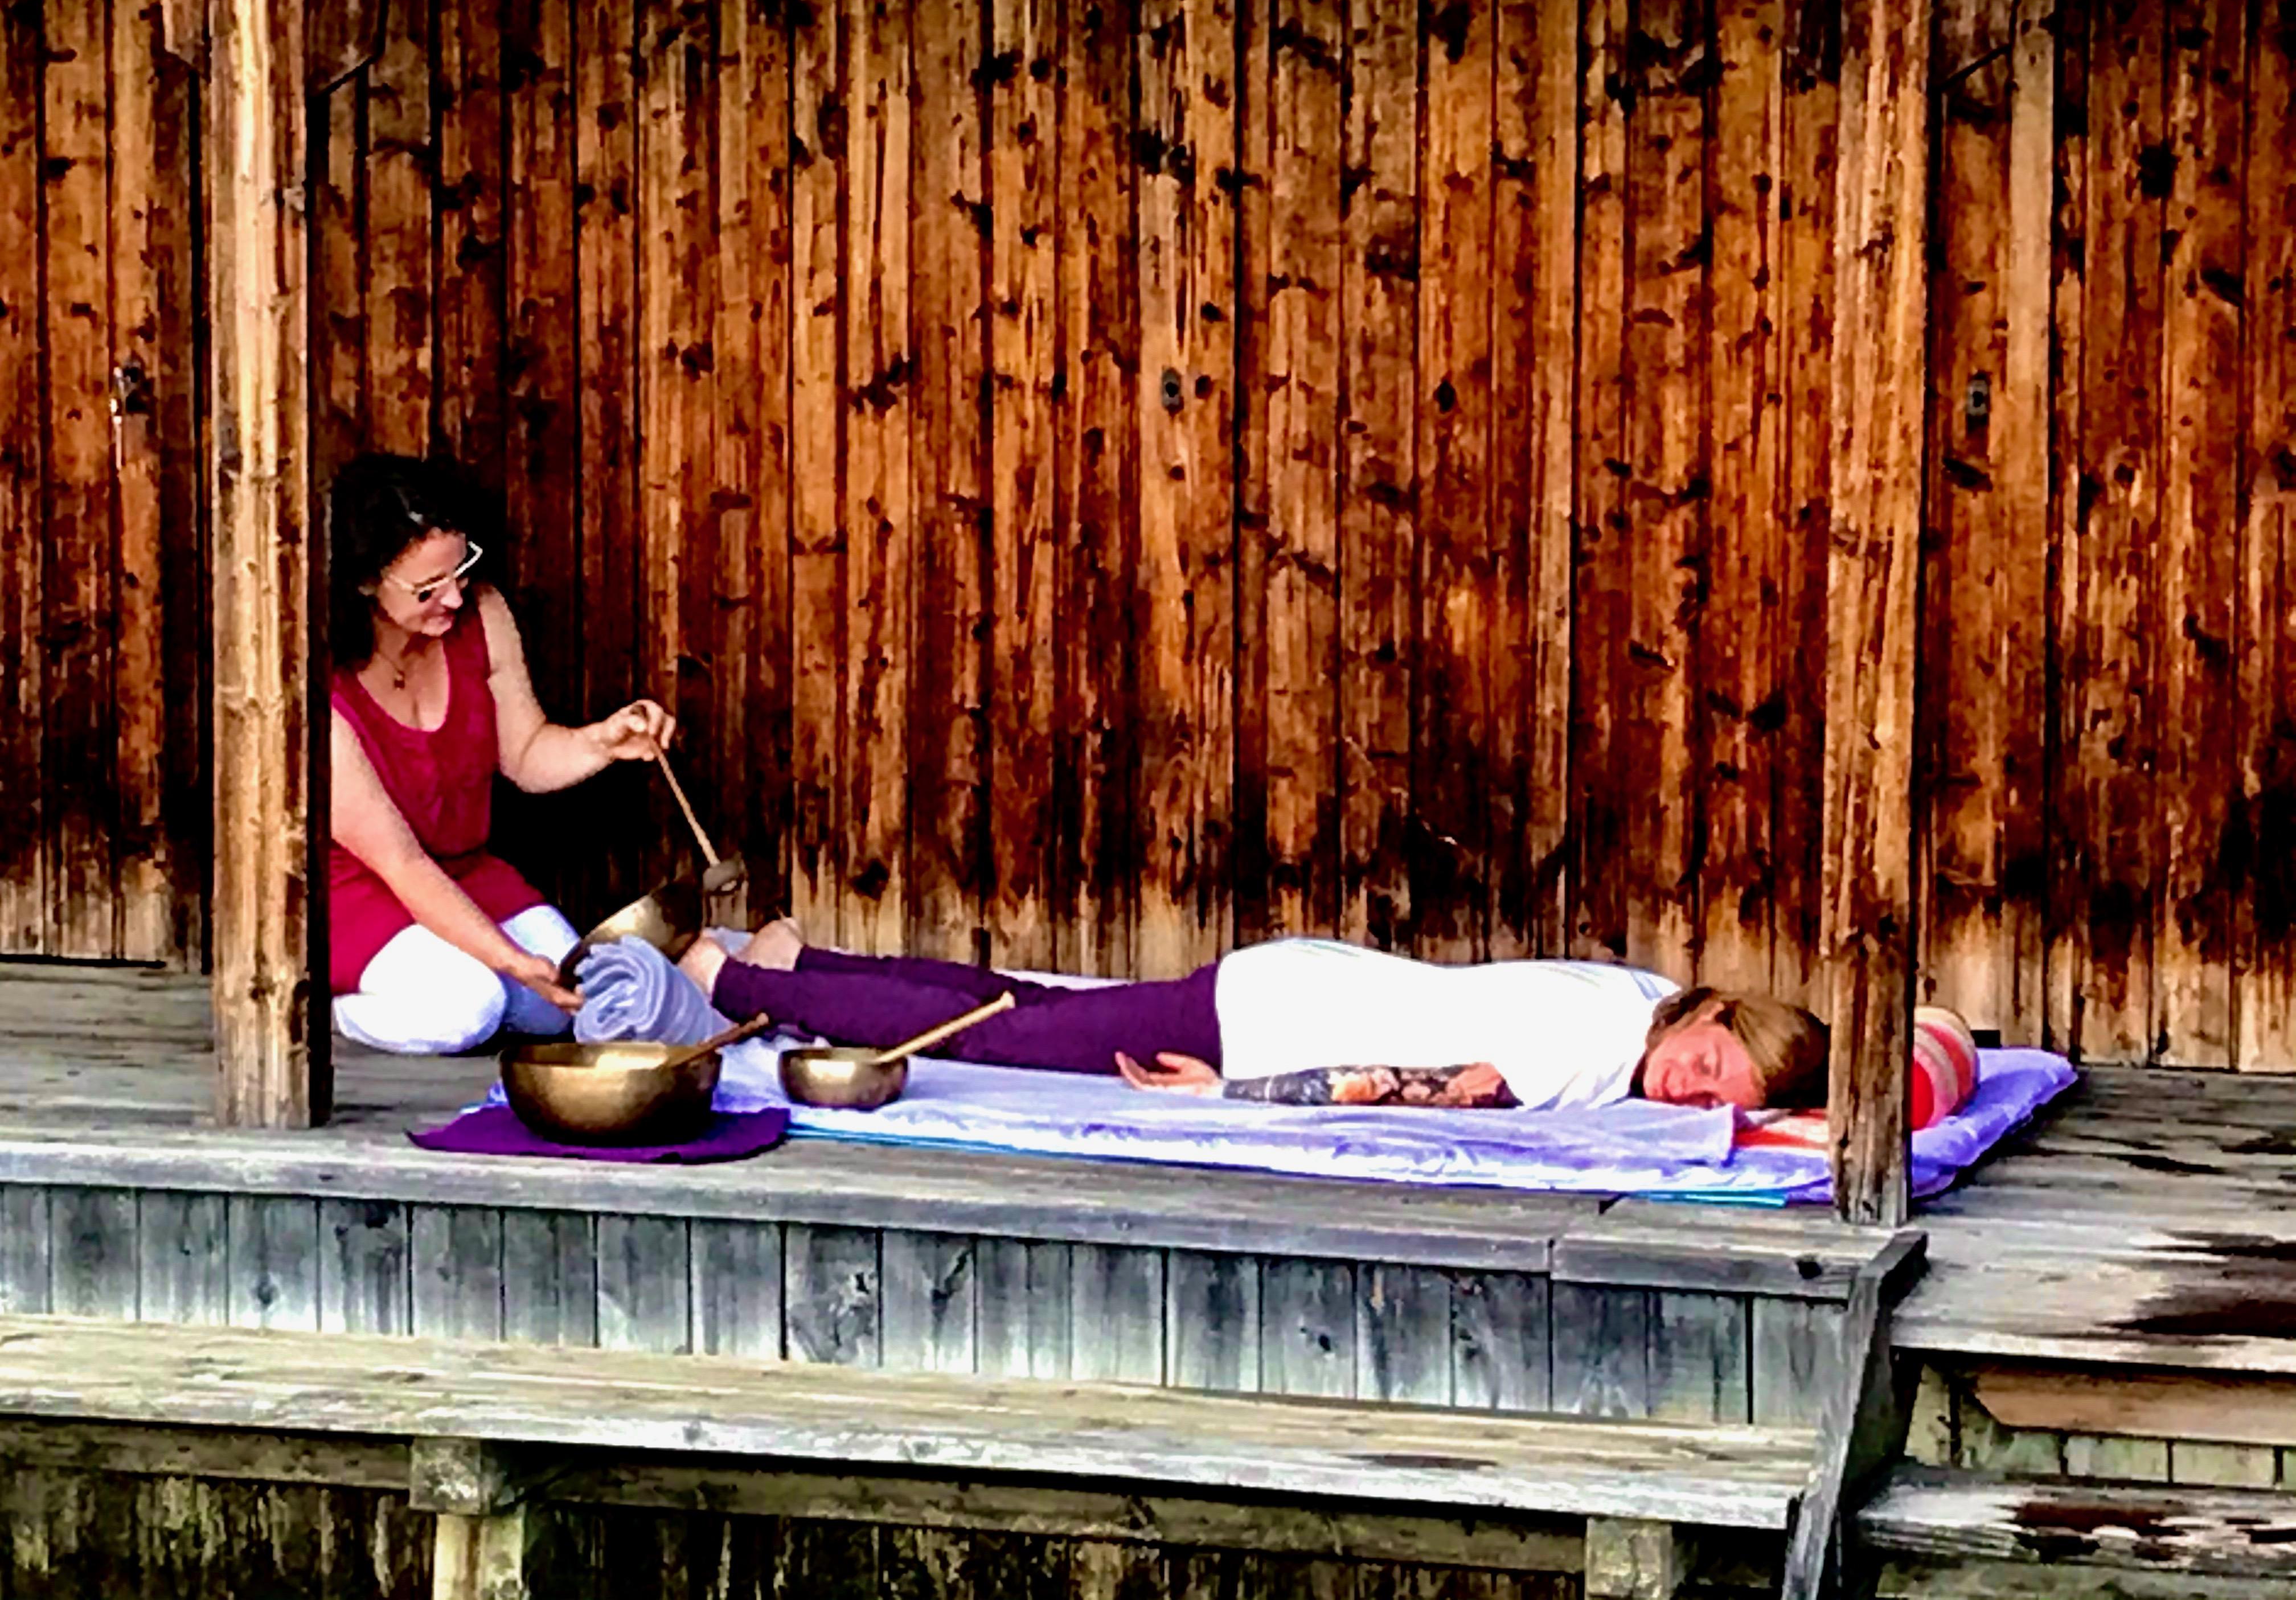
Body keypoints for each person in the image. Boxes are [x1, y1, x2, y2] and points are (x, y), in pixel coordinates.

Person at [676, 925, 1830, 1111]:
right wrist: (1226, 1091)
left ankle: (801, 960)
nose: (1689, 1089)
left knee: (1030, 1003)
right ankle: (731, 979)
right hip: (1269, 1026)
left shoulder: (1638, 992)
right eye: (1709, 1063)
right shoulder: (1595, 1051)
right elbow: (1405, 1089)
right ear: (1717, 1015)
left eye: (1717, 1101)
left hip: (1296, 978)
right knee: (993, 1033)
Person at [327, 453, 674, 1054]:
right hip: (358, 890)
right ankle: (336, 1008)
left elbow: (528, 754)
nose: (454, 598)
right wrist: (508, 960)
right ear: (365, 583)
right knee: (470, 1005)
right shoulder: (325, 691)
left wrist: (604, 742)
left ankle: (455, 980)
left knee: (567, 1001)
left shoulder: (482, 614)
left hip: (463, 871)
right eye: (428, 589)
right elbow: (401, 864)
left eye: (461, 570)